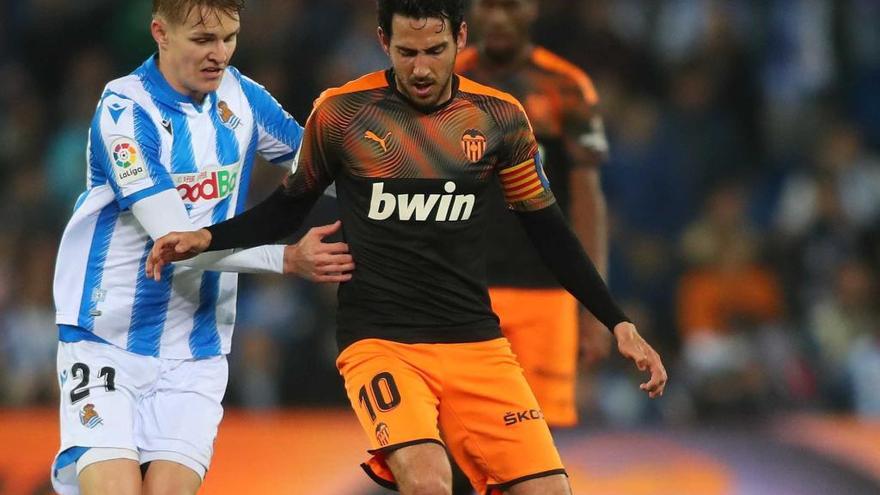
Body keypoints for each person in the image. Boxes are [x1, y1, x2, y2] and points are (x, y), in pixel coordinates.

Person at [148, 1, 667, 494]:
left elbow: (548, 229)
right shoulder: (342, 114)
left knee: (550, 487)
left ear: (460, 38)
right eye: (407, 52)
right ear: (383, 42)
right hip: (382, 341)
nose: (421, 68)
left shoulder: (499, 118)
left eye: (435, 50)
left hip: (475, 343)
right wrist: (209, 238)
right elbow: (288, 206)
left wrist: (616, 321)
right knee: (427, 479)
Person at [50, 1, 353, 494]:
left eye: (229, 38)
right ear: (160, 33)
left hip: (197, 351)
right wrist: (286, 259)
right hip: (107, 339)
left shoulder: (242, 98)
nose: (220, 54)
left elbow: (323, 170)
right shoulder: (125, 111)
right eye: (203, 40)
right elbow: (179, 244)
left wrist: (418, 177)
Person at [457, 0, 612, 430]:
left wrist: (595, 305)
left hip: (546, 294)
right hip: (465, 290)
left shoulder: (567, 87)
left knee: (539, 443)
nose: (500, 18)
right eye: (490, 5)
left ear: (532, 8)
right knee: (462, 436)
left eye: (511, 5)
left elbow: (587, 200)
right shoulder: (447, 81)